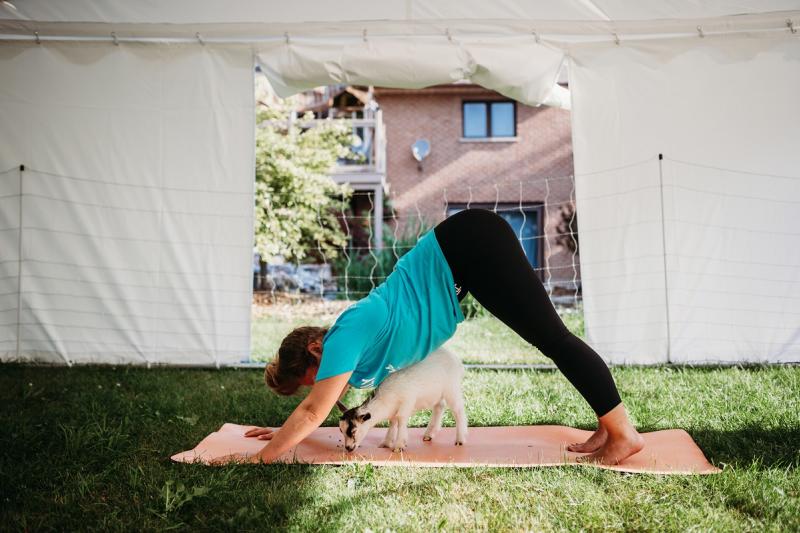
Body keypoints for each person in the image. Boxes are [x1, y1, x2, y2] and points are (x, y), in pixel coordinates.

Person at [242, 208, 643, 465]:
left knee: (553, 339)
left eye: (313, 378)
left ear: (316, 348)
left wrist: (262, 457)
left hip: (469, 243)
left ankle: (623, 434)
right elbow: (317, 412)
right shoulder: (352, 350)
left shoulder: (344, 336)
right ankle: (608, 426)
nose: (322, 388)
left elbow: (313, 411)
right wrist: (287, 434)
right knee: (552, 339)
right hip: (462, 260)